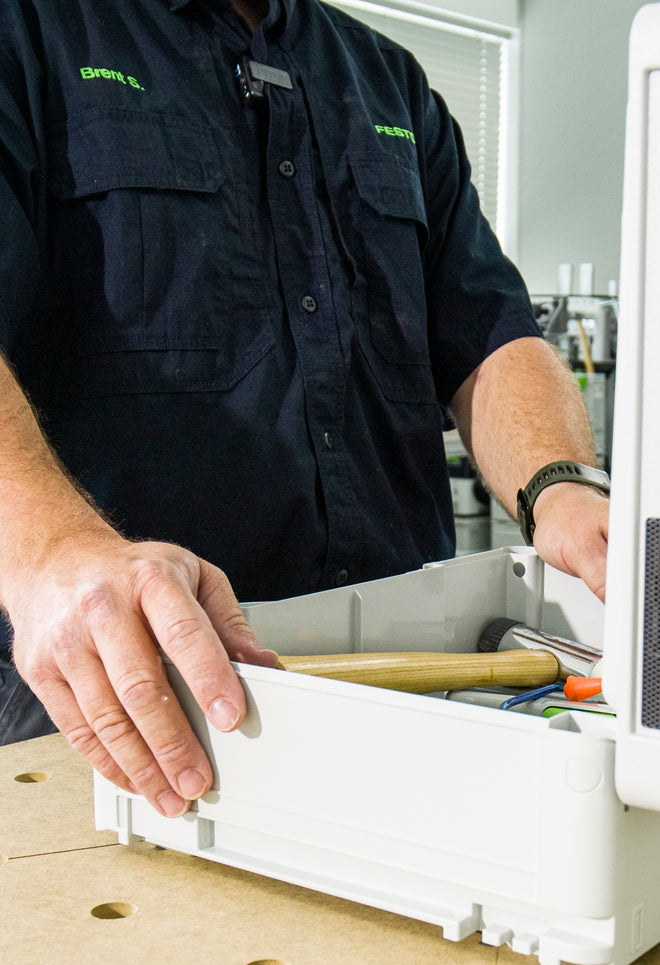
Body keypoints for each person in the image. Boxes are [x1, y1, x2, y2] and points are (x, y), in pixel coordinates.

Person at [0, 0, 610, 817]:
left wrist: (562, 485)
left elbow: (490, 334)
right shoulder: (31, 31)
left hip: (409, 684)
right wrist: (51, 550)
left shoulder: (390, 83)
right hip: (131, 696)